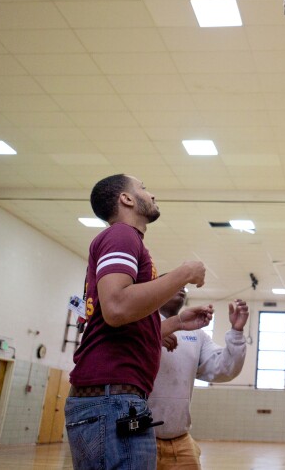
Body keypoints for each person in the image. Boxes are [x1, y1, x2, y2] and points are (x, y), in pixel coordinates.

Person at [66, 174, 208, 470]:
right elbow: (117, 307)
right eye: (143, 188)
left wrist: (177, 323)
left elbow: (121, 324)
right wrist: (183, 273)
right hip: (113, 399)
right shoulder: (122, 235)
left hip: (115, 399)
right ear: (127, 199)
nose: (151, 193)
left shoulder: (127, 241)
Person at [149, 288, 249, 470]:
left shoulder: (196, 334)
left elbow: (224, 369)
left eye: (183, 286)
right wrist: (155, 335)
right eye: (173, 282)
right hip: (140, 439)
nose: (180, 287)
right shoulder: (140, 325)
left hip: (181, 440)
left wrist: (236, 332)